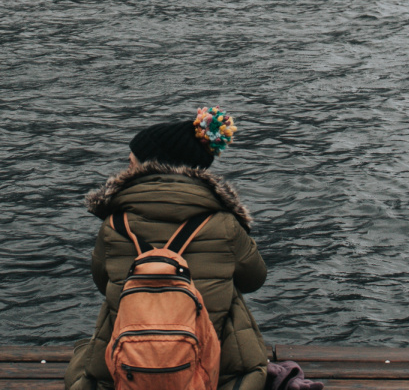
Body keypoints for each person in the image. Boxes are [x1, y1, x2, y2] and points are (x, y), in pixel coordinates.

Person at [65, 108, 272, 390]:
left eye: (130, 164)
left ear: (147, 168)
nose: (125, 171)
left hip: (129, 368)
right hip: (211, 371)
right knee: (229, 291)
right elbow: (255, 279)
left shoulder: (115, 225)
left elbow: (103, 285)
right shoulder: (224, 224)